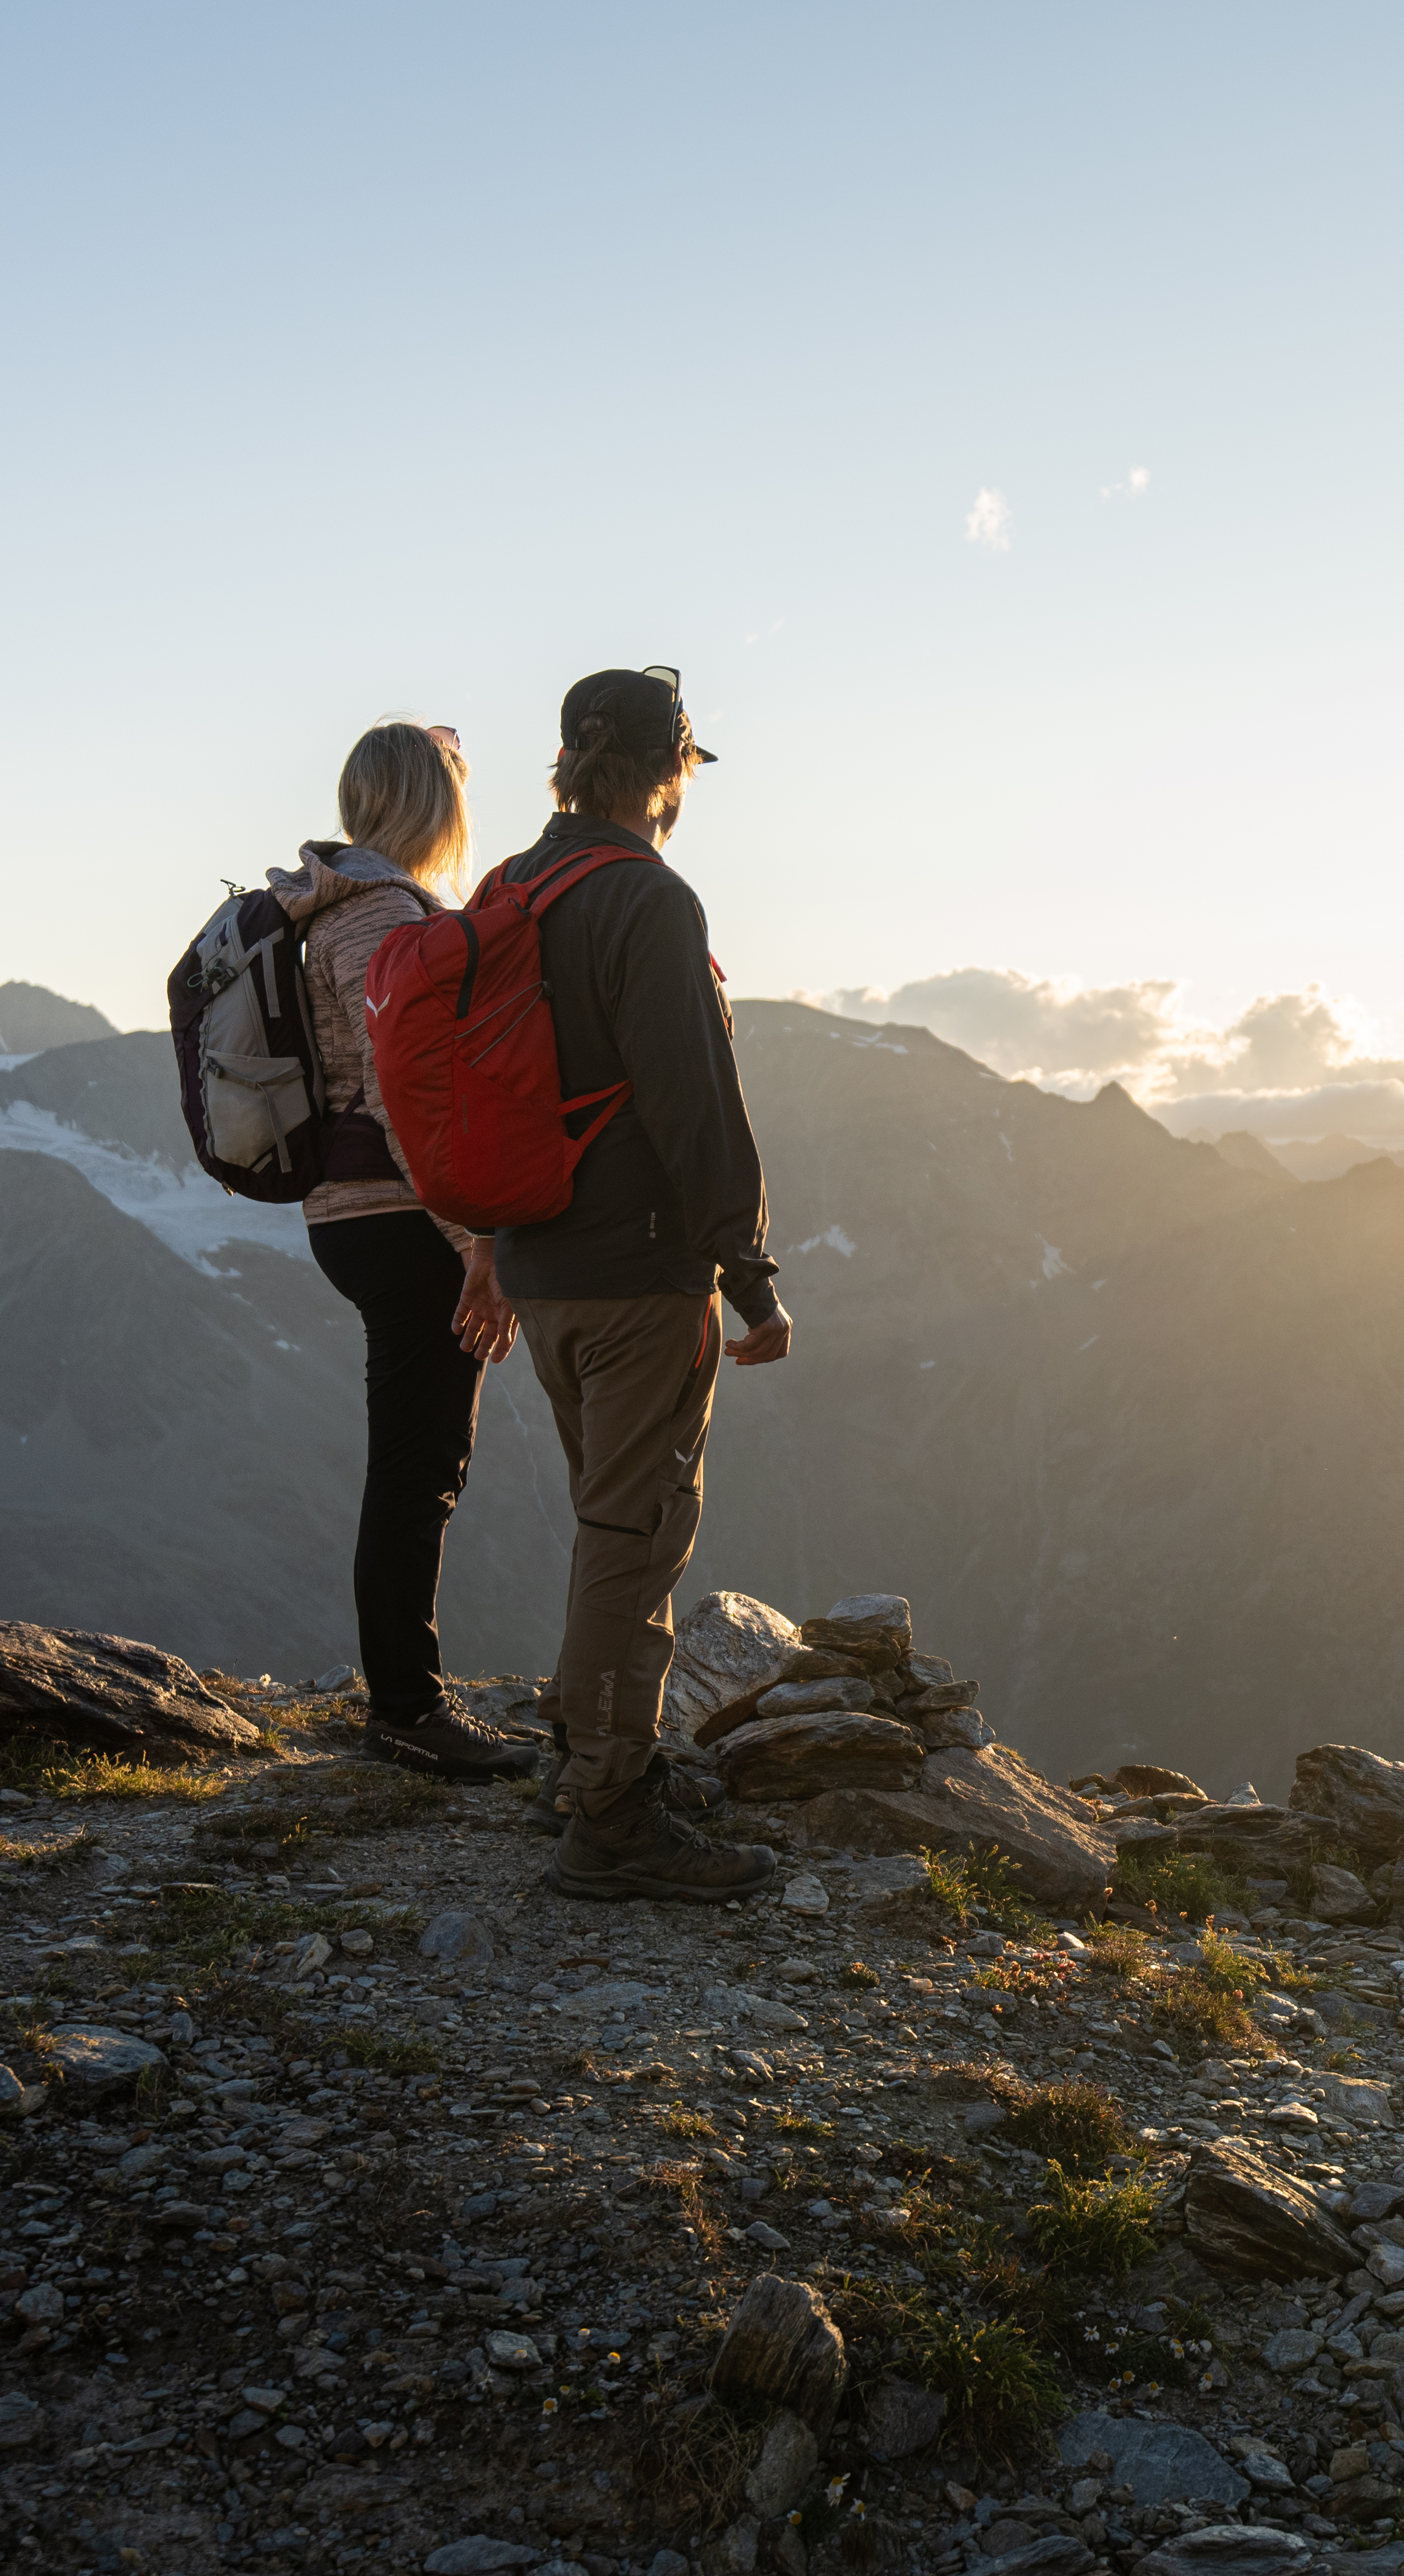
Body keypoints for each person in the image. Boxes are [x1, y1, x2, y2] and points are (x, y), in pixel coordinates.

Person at [487, 666, 790, 1905]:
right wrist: (748, 1274)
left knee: (611, 1524)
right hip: (635, 1279)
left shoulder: (511, 888)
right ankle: (611, 1812)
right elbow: (692, 1103)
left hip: (541, 1271)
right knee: (638, 1532)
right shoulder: (646, 901)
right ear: (668, 771)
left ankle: (588, 1764)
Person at [278, 721, 542, 1778]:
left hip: (347, 1213)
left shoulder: (326, 910)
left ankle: (404, 1698)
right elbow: (407, 1097)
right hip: (403, 1214)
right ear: (431, 807)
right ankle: (406, 1709)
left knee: (412, 1459)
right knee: (420, 1466)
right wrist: (476, 1241)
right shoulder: (388, 917)